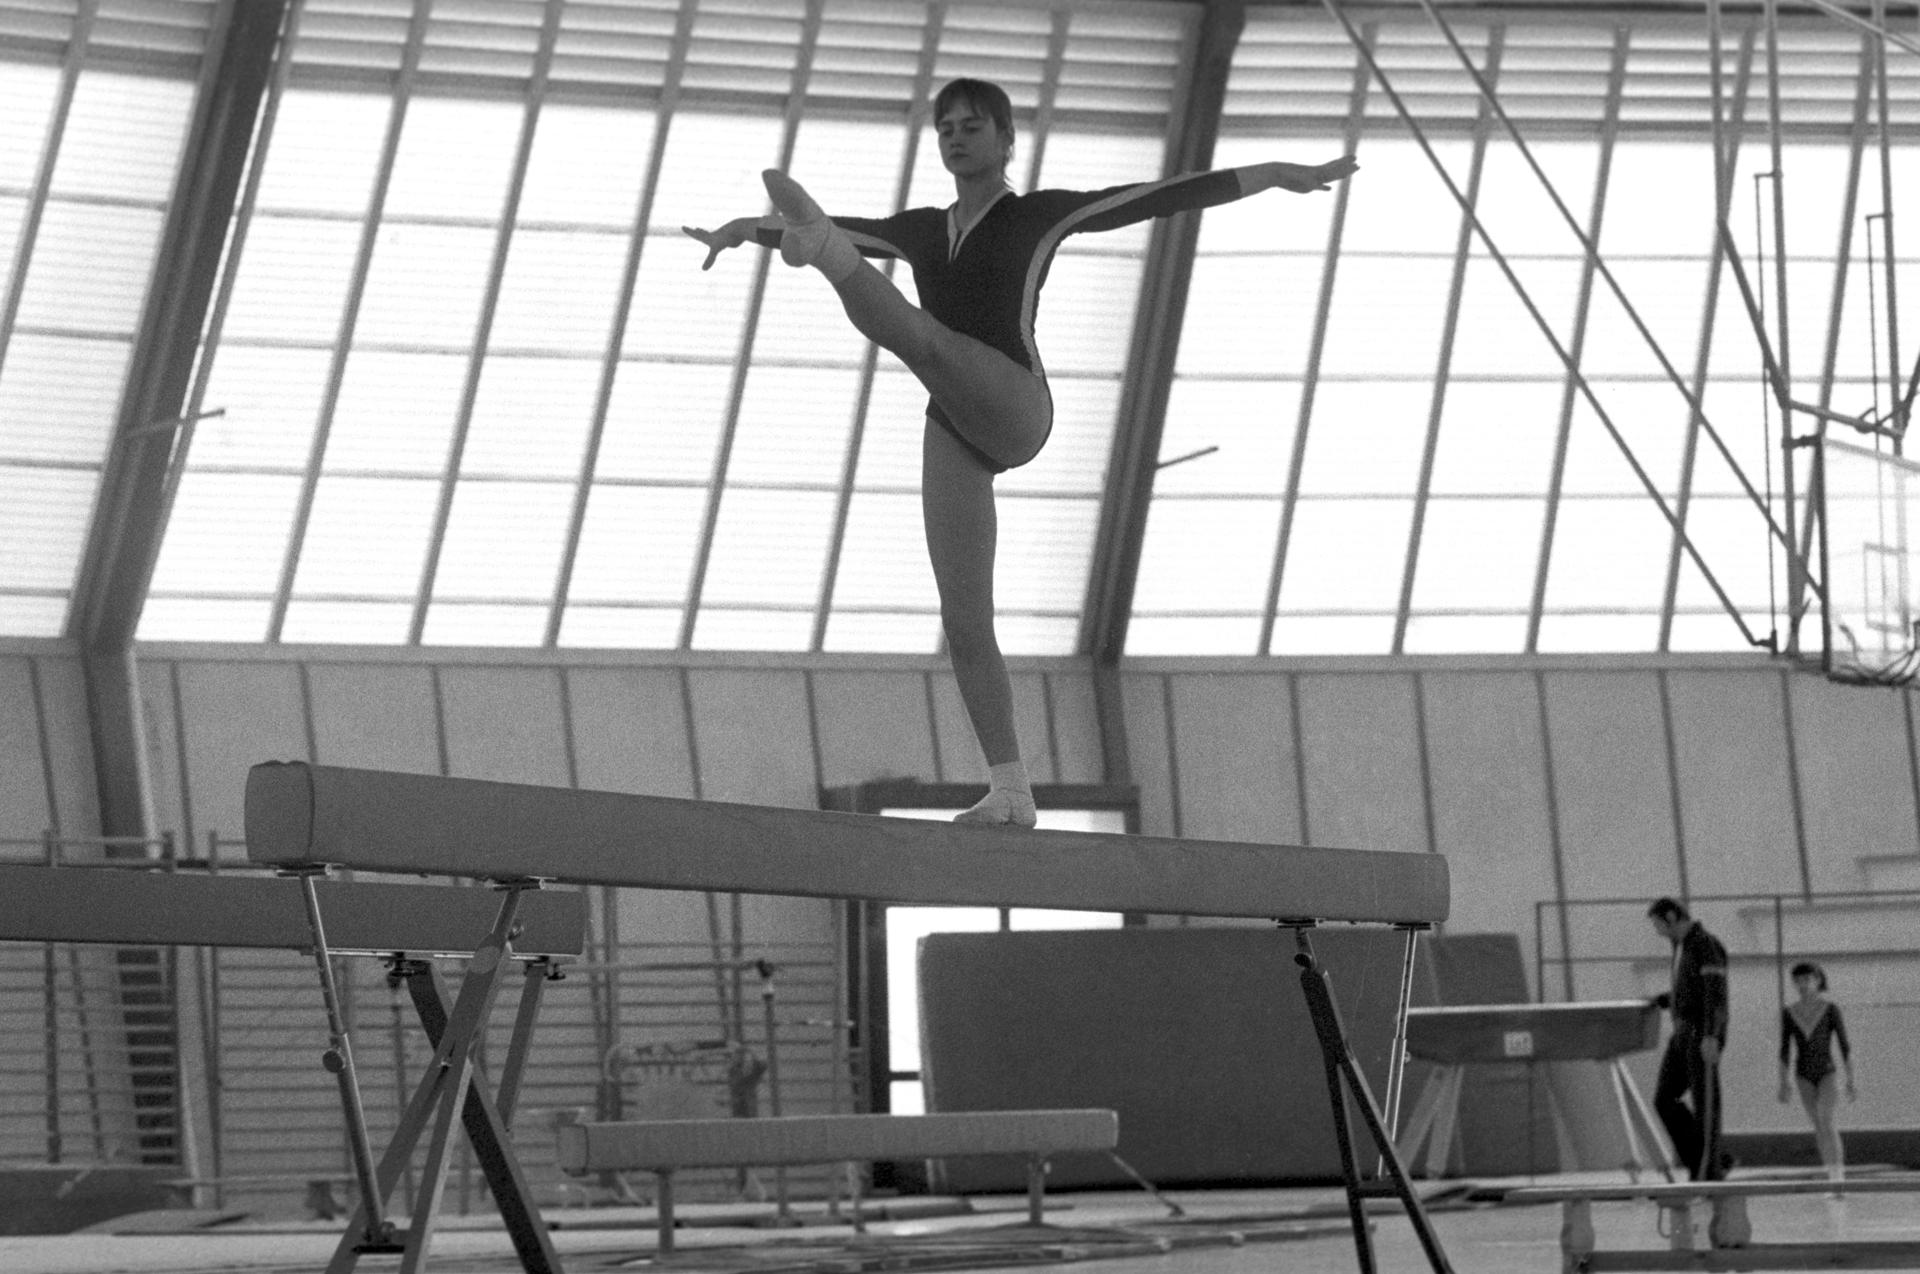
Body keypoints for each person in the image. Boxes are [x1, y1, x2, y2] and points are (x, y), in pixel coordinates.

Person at [684, 78, 1358, 826]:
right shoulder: (918, 230)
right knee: (965, 619)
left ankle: (828, 257)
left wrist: (1267, 176)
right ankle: (1011, 789)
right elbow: (846, 226)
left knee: (926, 340)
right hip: (955, 426)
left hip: (1014, 405)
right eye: (946, 128)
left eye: (973, 126)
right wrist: (745, 228)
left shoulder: (1036, 215)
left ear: (1007, 142)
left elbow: (1155, 196)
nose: (957, 137)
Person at [1648, 896, 1730, 1180]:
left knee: (1706, 1102)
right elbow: (1690, 991)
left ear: (1671, 917)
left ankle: (1710, 1172)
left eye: (1658, 924)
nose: (1657, 931)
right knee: (1664, 1100)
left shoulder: (1705, 944)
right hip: (1682, 1032)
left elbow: (1715, 995)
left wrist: (1712, 1035)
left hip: (1700, 1032)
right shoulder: (1681, 946)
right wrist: (1665, 999)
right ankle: (1707, 1160)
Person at [1778, 960, 1856, 1186]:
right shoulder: (1790, 1013)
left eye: (1807, 980)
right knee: (1819, 1126)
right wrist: (1784, 1082)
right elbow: (1784, 1050)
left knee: (1826, 1118)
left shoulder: (1830, 1010)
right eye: (1798, 981)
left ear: (1818, 981)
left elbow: (1844, 1045)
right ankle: (1831, 1175)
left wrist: (1851, 1078)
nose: (1802, 984)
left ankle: (1838, 1177)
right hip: (1803, 1076)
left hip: (1827, 1073)